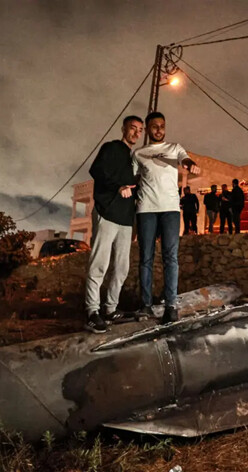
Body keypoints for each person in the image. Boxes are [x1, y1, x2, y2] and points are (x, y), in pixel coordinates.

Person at [133, 111, 200, 324]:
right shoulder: (139, 153)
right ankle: (146, 305)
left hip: (170, 208)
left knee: (171, 257)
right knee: (146, 258)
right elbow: (132, 179)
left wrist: (190, 164)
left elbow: (185, 159)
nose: (159, 130)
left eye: (162, 126)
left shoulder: (174, 148)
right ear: (148, 129)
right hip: (146, 209)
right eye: (154, 126)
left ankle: (171, 305)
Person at [84, 115, 143, 333]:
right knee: (99, 263)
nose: (136, 133)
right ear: (124, 129)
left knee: (121, 267)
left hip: (126, 220)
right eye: (133, 128)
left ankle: (110, 309)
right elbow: (96, 171)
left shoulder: (134, 158)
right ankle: (92, 312)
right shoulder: (111, 148)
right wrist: (118, 186)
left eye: (140, 130)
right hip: (107, 212)